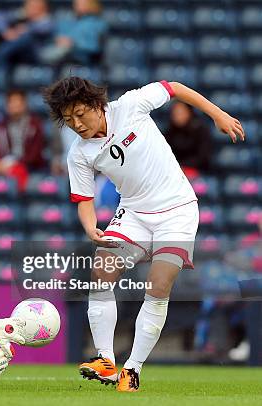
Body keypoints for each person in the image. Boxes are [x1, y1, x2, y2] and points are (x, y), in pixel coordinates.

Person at [42, 77, 244, 391]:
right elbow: (83, 199)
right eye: (69, 121)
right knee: (101, 271)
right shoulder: (79, 153)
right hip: (134, 213)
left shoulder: (131, 105)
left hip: (177, 210)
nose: (77, 124)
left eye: (81, 114)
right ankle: (106, 361)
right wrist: (89, 226)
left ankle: (132, 370)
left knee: (158, 284)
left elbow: (175, 87)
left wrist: (216, 113)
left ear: (97, 105)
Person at [0, 89, 46, 188]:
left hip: (30, 167)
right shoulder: (1, 126)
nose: (14, 105)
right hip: (6, 165)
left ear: (24, 104)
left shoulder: (34, 125)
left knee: (15, 177)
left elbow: (35, 154)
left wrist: (15, 164)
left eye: (17, 101)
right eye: (11, 102)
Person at [39, 0, 107, 66]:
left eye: (81, 4)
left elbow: (94, 47)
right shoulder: (71, 21)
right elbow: (62, 36)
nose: (76, 6)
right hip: (67, 55)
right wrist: (61, 40)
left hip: (83, 56)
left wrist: (73, 43)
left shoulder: (98, 23)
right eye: (76, 4)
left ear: (91, 4)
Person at [0, 0, 53, 66]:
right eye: (26, 5)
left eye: (31, 6)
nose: (26, 8)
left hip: (38, 58)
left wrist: (23, 30)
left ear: (41, 8)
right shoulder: (23, 18)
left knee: (26, 37)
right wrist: (6, 31)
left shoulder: (47, 22)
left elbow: (43, 29)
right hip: (19, 57)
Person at [164, 101, 212, 177]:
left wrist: (184, 167)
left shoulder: (200, 130)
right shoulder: (169, 132)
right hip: (175, 172)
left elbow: (203, 156)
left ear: (189, 112)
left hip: (198, 171)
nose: (178, 116)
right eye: (175, 113)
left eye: (181, 113)